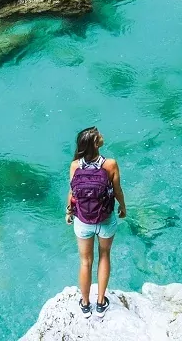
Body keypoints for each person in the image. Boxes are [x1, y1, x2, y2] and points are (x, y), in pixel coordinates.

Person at [65, 126, 127, 319]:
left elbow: (73, 192)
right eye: (98, 134)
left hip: (83, 220)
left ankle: (85, 305)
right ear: (94, 143)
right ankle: (100, 303)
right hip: (105, 219)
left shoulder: (75, 165)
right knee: (104, 256)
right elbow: (117, 190)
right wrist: (123, 207)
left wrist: (69, 211)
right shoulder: (110, 164)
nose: (102, 135)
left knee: (85, 262)